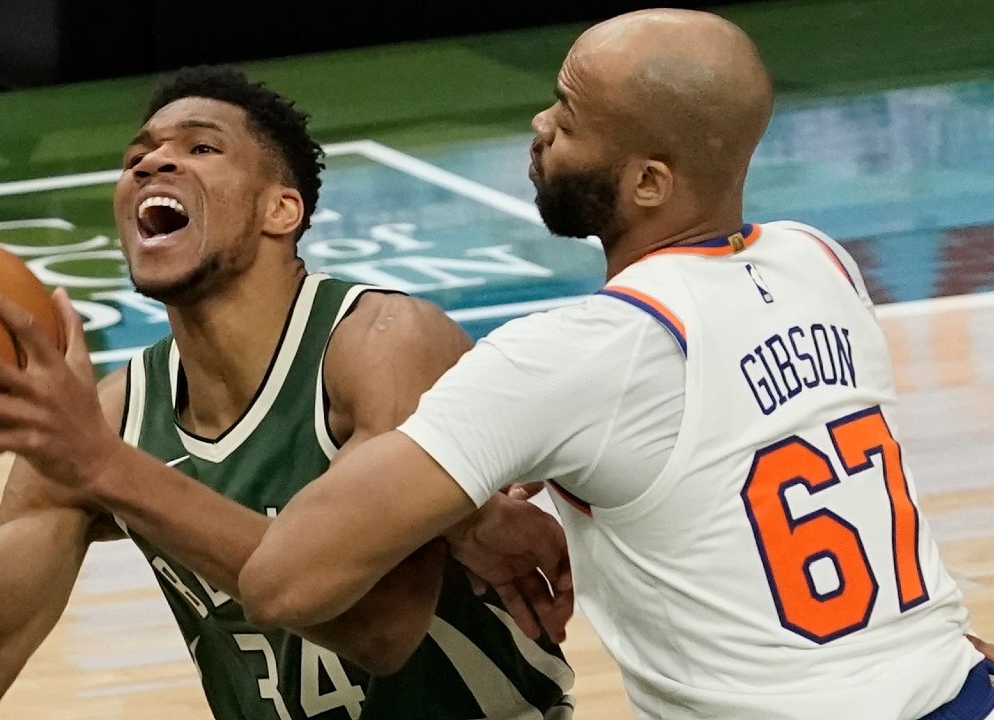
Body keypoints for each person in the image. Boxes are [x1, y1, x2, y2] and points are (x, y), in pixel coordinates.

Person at [232, 10, 994, 720]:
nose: (540, 126)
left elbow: (282, 581)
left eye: (567, 120)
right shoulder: (820, 262)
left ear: (648, 183)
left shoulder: (575, 357)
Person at [0, 66, 576, 719]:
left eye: (200, 147)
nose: (154, 163)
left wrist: (99, 465)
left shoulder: (381, 344)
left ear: (280, 209)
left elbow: (381, 627)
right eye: (139, 156)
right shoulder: (113, 416)